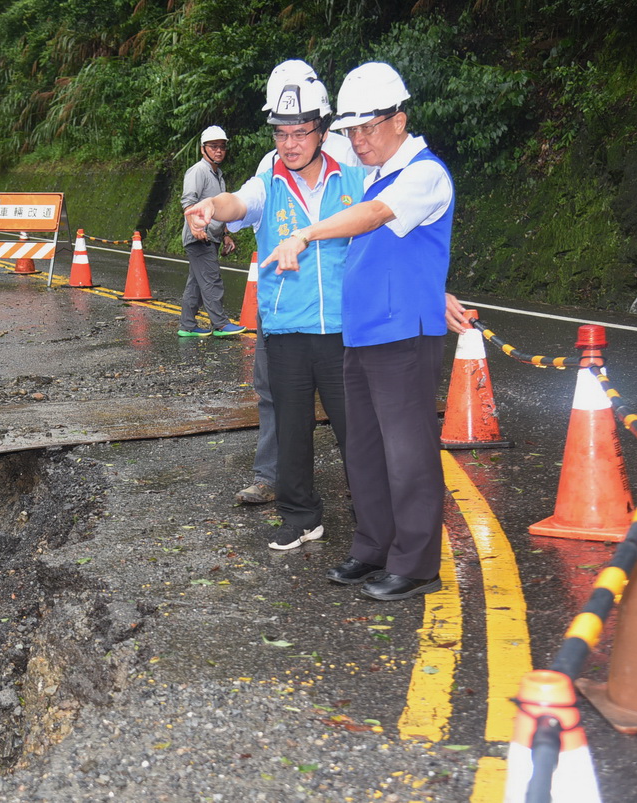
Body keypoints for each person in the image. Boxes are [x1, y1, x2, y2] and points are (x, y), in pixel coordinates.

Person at [260, 62, 455, 601]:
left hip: (402, 337)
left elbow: (373, 217)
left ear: (400, 120)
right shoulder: (375, 172)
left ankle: (416, 564)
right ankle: (372, 548)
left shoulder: (423, 172)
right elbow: (398, 253)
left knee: (408, 453)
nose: (359, 140)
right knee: (366, 452)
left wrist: (304, 234)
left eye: (369, 127)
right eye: (351, 130)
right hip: (361, 334)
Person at [186, 76, 365, 550]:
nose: (289, 143)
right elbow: (237, 203)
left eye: (300, 132)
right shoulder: (268, 184)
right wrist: (212, 207)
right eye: (281, 134)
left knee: (357, 429)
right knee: (291, 427)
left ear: (323, 132)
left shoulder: (355, 179)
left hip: (345, 329)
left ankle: (370, 516)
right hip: (285, 329)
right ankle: (301, 516)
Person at [178, 126, 244, 337]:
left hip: (212, 236)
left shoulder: (218, 176)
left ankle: (187, 325)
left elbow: (218, 209)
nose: (219, 151)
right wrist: (195, 227)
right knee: (212, 279)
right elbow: (188, 201)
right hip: (200, 237)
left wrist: (224, 234)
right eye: (213, 147)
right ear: (202, 149)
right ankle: (221, 324)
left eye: (222, 147)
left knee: (196, 283)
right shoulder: (198, 171)